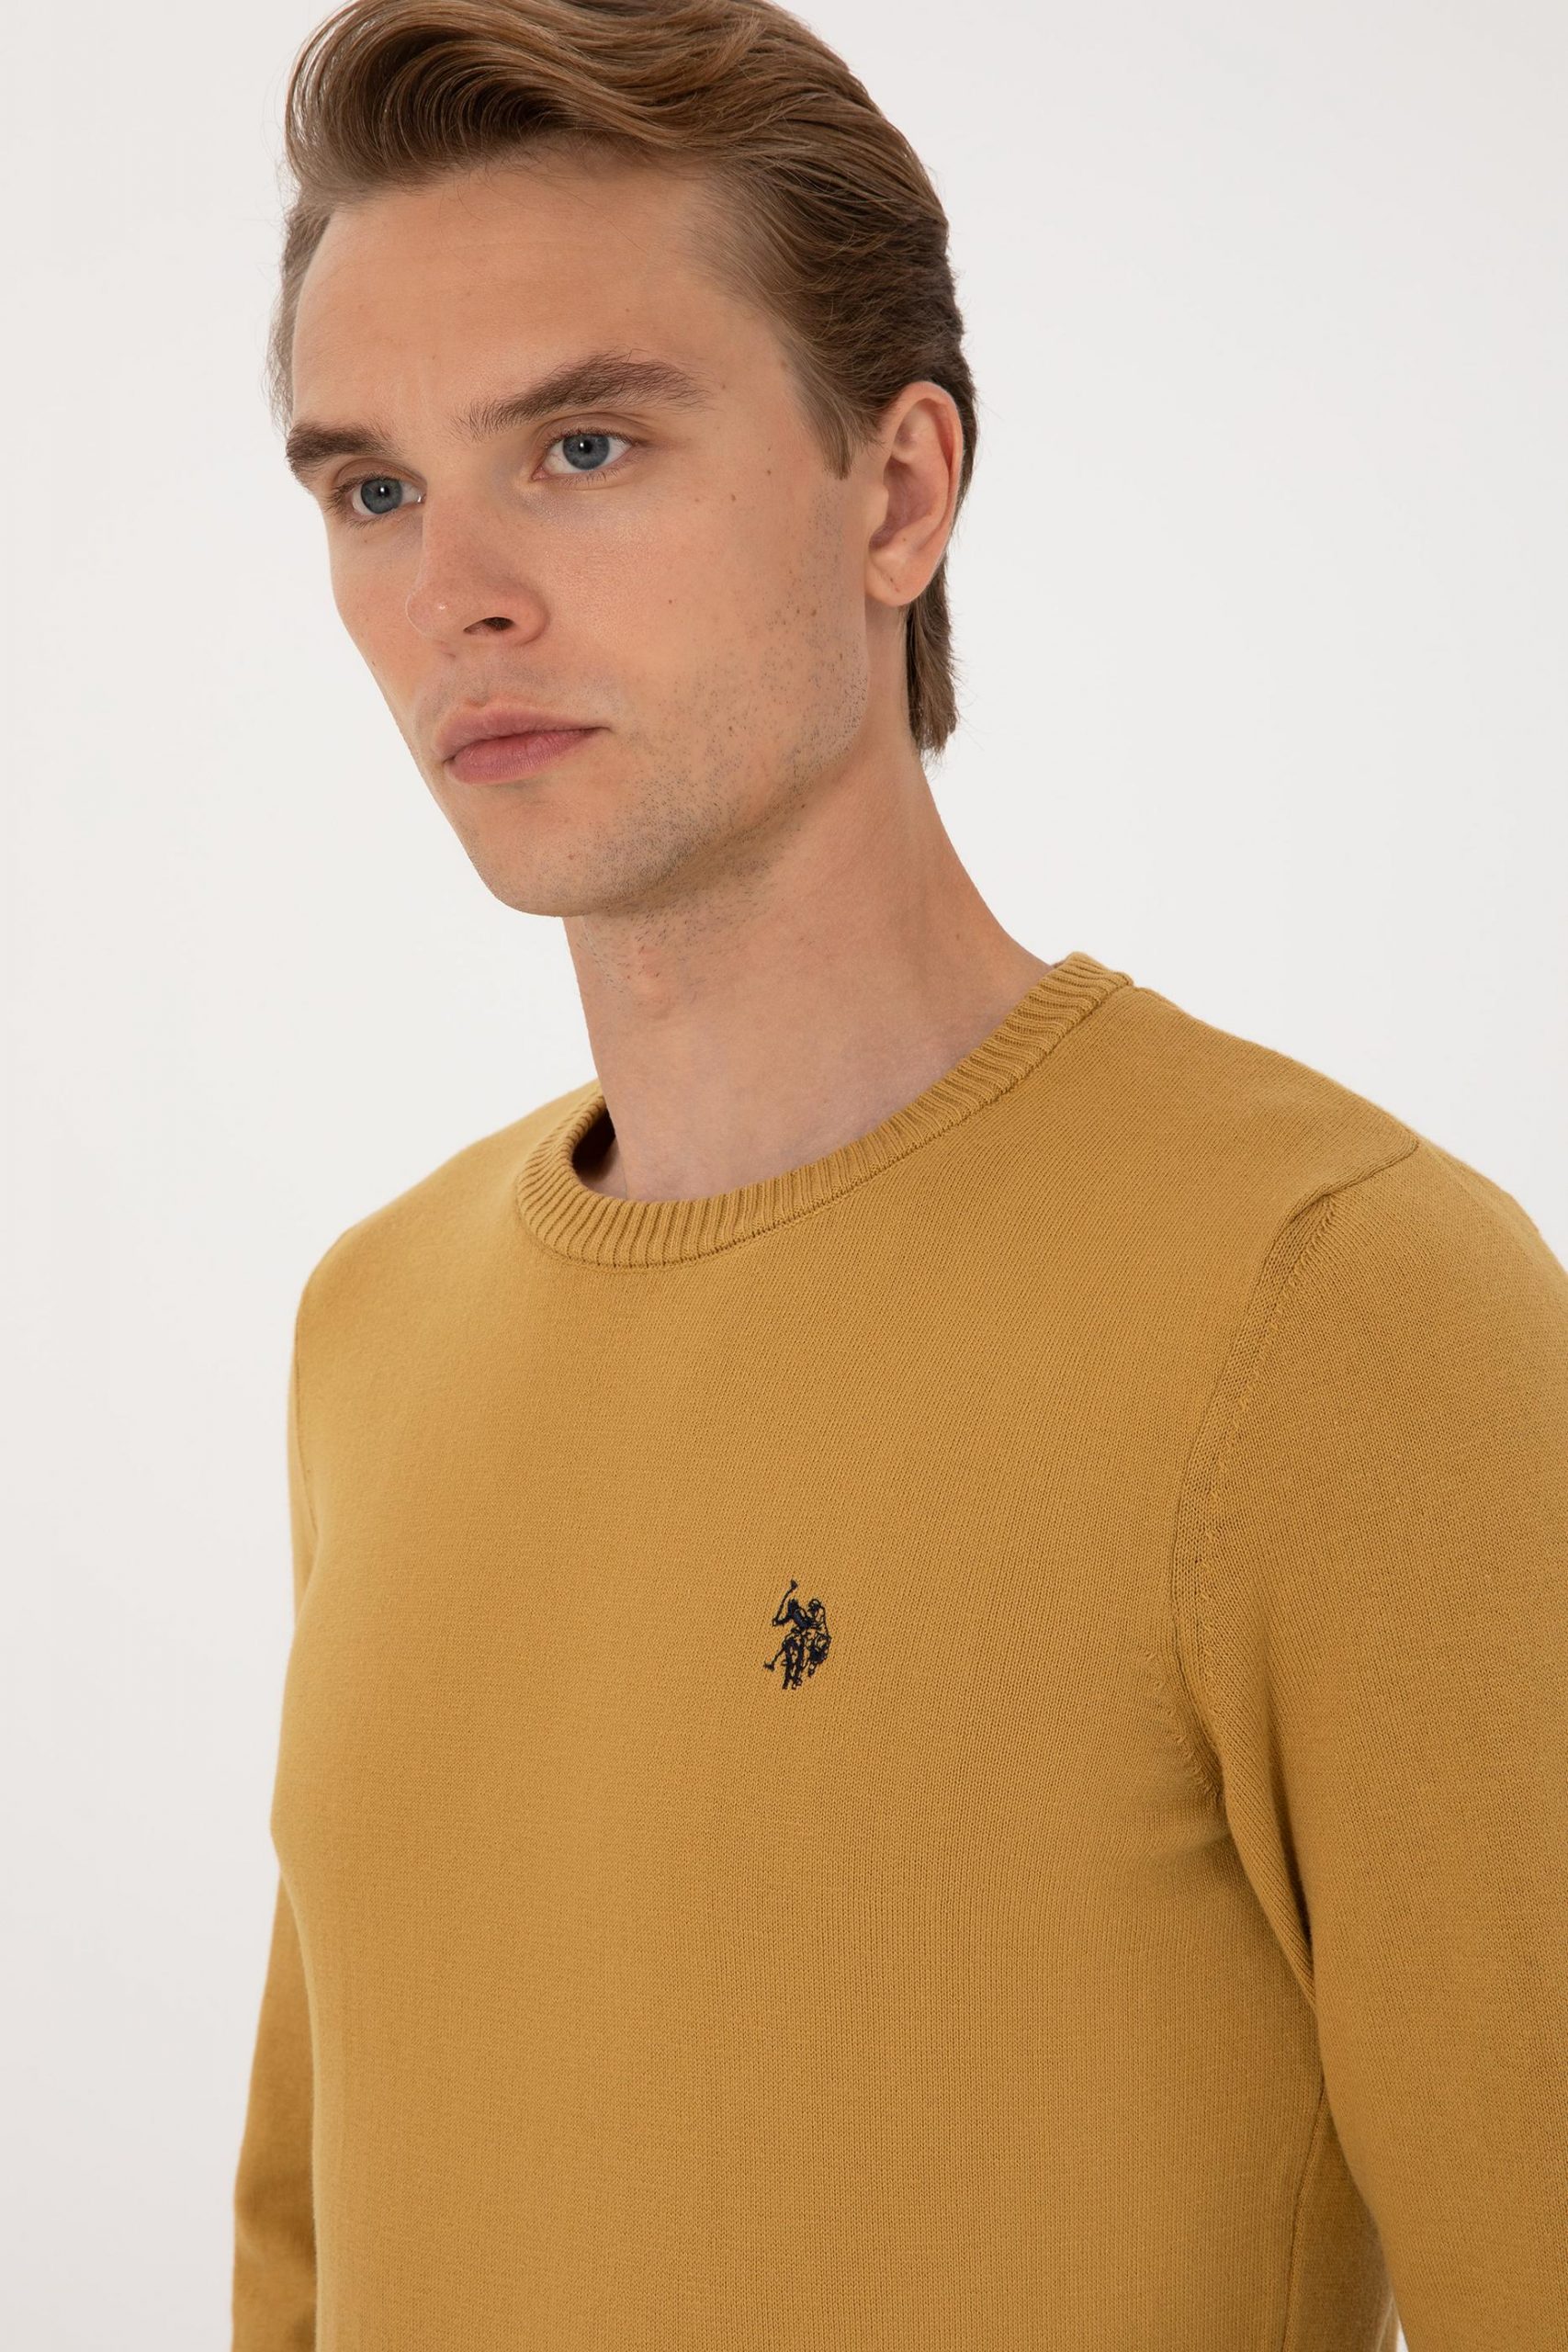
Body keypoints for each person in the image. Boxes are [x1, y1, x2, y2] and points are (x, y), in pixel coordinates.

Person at [231, 4, 1568, 2346]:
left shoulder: (1334, 1300)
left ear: (896, 491)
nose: (456, 593)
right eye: (372, 490)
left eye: (580, 443)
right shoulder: (376, 1322)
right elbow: (306, 2257)